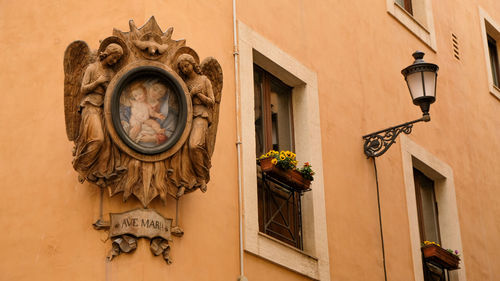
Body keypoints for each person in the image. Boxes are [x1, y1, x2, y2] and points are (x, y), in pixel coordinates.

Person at [73, 43, 123, 186]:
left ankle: (102, 174)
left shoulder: (111, 73)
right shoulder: (92, 68)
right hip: (90, 106)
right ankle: (82, 166)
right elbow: (83, 89)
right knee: (98, 139)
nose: (114, 61)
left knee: (107, 144)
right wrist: (98, 82)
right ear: (106, 53)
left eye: (117, 60)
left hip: (104, 109)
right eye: (113, 58)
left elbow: (112, 92)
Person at [176, 54, 215, 193]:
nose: (185, 69)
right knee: (184, 149)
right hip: (187, 118)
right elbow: (180, 104)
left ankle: (201, 177)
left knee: (194, 145)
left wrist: (198, 95)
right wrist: (191, 94)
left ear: (193, 64)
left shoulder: (204, 80)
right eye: (182, 68)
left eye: (186, 65)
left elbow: (212, 102)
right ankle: (185, 181)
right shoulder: (184, 84)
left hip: (201, 116)